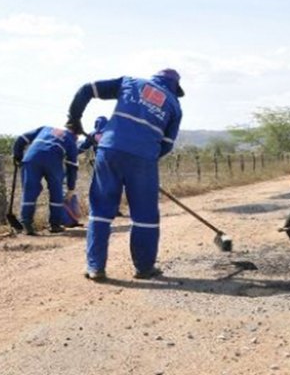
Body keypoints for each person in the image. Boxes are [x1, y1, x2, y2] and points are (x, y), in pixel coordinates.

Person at [67, 69, 184, 281]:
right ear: (175, 87)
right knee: (145, 216)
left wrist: (73, 119)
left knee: (101, 211)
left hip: (109, 151)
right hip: (144, 158)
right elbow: (166, 145)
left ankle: (95, 267)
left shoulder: (130, 82)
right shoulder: (174, 105)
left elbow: (87, 89)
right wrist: (144, 160)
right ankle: (144, 268)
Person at [12, 124, 80, 236]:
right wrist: (71, 187)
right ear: (76, 135)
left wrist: (17, 155)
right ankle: (55, 225)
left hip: (31, 159)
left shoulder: (45, 128)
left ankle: (26, 223)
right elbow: (72, 166)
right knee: (56, 192)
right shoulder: (71, 141)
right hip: (53, 162)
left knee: (29, 191)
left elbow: (22, 139)